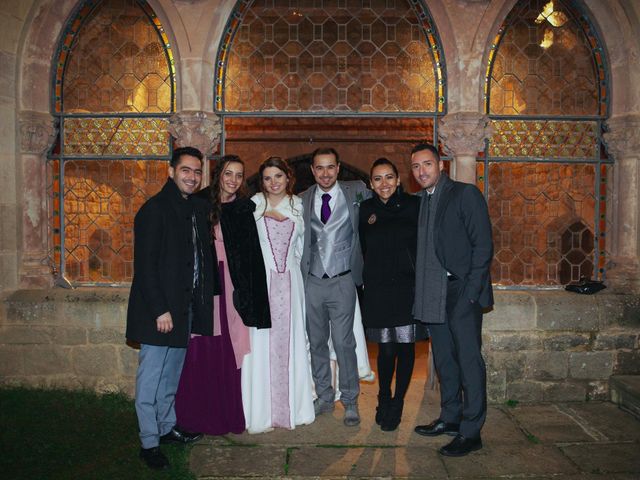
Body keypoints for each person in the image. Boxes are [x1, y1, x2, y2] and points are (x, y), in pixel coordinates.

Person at [126, 146, 217, 470]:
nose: (192, 177)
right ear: (171, 170)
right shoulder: (155, 210)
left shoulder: (194, 208)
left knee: (170, 377)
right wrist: (160, 310)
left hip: (183, 310)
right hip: (159, 313)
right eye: (185, 171)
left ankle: (166, 428)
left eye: (196, 172)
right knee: (150, 379)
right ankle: (148, 443)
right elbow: (146, 267)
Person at [175, 155, 270, 435]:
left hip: (231, 285)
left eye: (239, 175)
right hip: (204, 284)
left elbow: (252, 256)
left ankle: (226, 415)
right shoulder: (200, 203)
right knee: (202, 344)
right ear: (218, 175)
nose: (233, 180)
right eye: (229, 173)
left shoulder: (243, 208)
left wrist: (253, 299)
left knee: (228, 346)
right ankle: (194, 416)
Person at [410, 143, 494, 457]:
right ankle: (450, 417)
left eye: (427, 164)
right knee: (444, 360)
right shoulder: (419, 201)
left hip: (461, 291)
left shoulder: (464, 194)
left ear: (441, 165)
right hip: (433, 292)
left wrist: (471, 293)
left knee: (469, 361)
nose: (421, 171)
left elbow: (483, 246)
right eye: (416, 167)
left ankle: (472, 432)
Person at [242, 157, 315, 433]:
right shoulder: (254, 204)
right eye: (268, 178)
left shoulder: (298, 205)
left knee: (293, 341)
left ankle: (292, 408)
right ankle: (261, 411)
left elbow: (302, 247)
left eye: (278, 177)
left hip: (291, 283)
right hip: (263, 283)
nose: (273, 183)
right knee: (261, 343)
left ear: (288, 177)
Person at [300, 147, 370, 426]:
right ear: (312, 170)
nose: (325, 173)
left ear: (339, 168)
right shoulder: (303, 199)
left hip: (343, 279)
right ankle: (325, 397)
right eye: (319, 168)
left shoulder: (358, 191)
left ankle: (350, 400)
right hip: (312, 282)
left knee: (344, 342)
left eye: (330, 167)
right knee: (316, 342)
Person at [358, 158, 428, 432]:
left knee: (406, 347)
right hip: (378, 288)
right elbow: (363, 246)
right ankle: (383, 395)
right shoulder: (365, 210)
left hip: (407, 288)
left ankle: (398, 401)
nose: (384, 183)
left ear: (399, 180)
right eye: (377, 178)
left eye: (389, 177)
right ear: (371, 184)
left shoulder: (415, 206)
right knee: (385, 349)